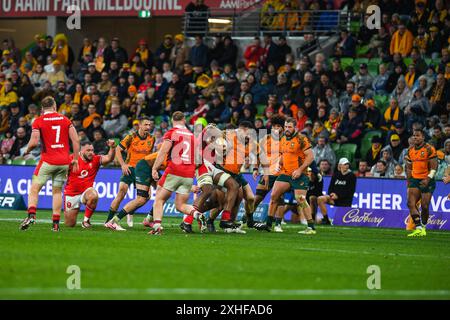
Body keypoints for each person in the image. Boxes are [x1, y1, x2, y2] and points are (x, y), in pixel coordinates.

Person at [19, 96, 80, 232]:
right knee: (57, 191)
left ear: (42, 108)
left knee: (34, 189)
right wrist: (75, 159)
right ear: (55, 106)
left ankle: (31, 215)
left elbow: (34, 142)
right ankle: (56, 224)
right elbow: (76, 140)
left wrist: (27, 150)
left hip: (48, 161)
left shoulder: (39, 121)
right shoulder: (65, 120)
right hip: (64, 162)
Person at [149, 111, 204, 235]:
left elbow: (163, 152)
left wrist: (154, 168)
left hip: (174, 169)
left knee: (159, 198)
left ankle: (157, 227)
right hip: (189, 173)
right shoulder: (192, 136)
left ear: (172, 120)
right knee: (180, 204)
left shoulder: (171, 133)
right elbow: (199, 160)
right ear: (184, 120)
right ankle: (197, 214)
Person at [260, 117, 316, 234]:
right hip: (285, 173)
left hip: (299, 174)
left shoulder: (301, 139)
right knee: (274, 196)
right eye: (286, 126)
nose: (287, 129)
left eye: (289, 127)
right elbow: (284, 154)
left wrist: (300, 170)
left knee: (300, 199)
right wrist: (279, 164)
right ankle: (269, 224)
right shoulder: (284, 139)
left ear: (295, 127)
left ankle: (311, 227)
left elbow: (311, 156)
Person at [105, 117, 154, 229]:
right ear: (140, 126)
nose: (148, 127)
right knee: (121, 192)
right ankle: (108, 221)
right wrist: (123, 164)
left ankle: (130, 211)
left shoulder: (152, 139)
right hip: (130, 169)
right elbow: (118, 149)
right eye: (146, 125)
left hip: (143, 171)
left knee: (146, 197)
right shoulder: (131, 137)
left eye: (149, 125)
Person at [64, 140, 115, 228]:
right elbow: (61, 172)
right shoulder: (72, 159)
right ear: (82, 150)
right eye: (88, 150)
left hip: (86, 191)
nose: (91, 153)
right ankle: (75, 209)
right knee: (70, 224)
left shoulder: (96, 159)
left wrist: (112, 147)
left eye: (92, 150)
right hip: (71, 193)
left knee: (93, 195)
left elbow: (109, 158)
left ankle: (86, 221)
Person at [252, 115, 285, 229]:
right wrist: (256, 168)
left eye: (278, 126)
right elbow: (258, 155)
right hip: (267, 173)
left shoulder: (286, 141)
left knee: (279, 198)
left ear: (283, 128)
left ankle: (278, 224)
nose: (275, 128)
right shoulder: (265, 139)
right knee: (257, 197)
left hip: (282, 173)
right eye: (274, 126)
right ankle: (247, 219)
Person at [405, 129, 438, 237]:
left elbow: (434, 167)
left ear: (423, 137)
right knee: (410, 203)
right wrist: (409, 181)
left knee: (424, 206)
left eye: (418, 135)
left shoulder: (429, 149)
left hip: (427, 179)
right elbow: (409, 167)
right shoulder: (410, 150)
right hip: (415, 179)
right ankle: (418, 228)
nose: (415, 137)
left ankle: (423, 227)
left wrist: (428, 179)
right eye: (414, 135)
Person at [317, 157, 357, 225]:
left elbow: (350, 191)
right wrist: (331, 194)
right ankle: (326, 220)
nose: (346, 166)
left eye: (347, 164)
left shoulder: (352, 176)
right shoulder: (336, 174)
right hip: (334, 199)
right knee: (320, 199)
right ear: (340, 165)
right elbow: (330, 187)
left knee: (342, 222)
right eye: (345, 164)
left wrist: (338, 196)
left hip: (345, 201)